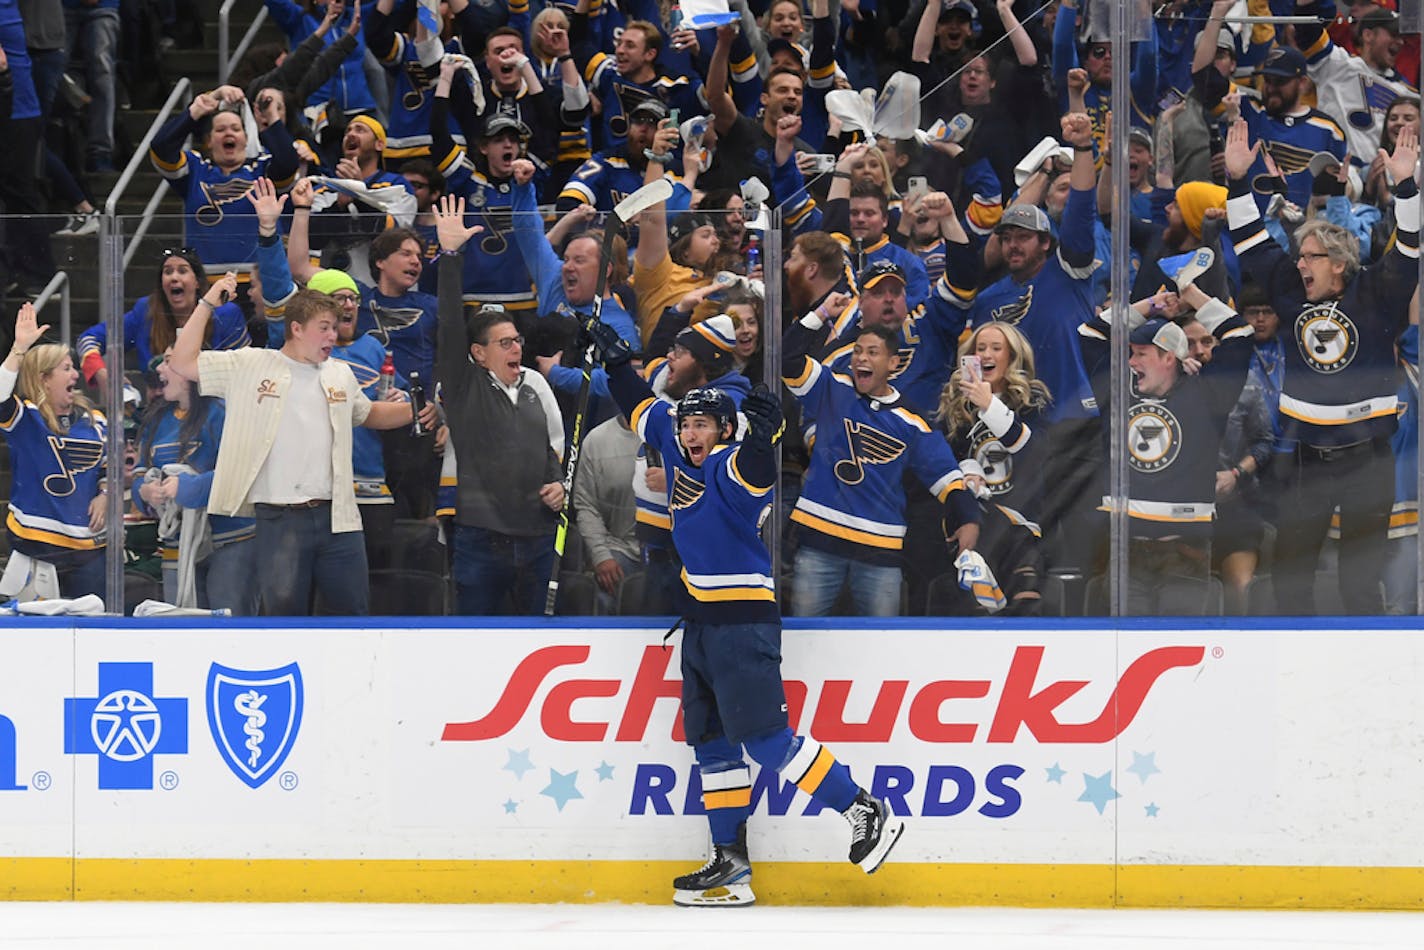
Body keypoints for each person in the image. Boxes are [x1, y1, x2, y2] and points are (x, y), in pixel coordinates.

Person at [587, 319, 905, 907]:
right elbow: (641, 407)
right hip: (702, 625)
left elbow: (757, 469)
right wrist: (616, 362)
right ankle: (730, 862)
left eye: (701, 423)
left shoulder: (731, 468)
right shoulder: (681, 451)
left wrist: (762, 437)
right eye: (685, 424)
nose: (689, 432)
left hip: (742, 622)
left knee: (764, 740)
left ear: (725, 430)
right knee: (711, 745)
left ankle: (864, 808)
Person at [1226, 117, 1420, 614]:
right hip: (1305, 462)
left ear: (1337, 262)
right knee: (1290, 585)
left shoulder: (1376, 293)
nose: (1298, 264)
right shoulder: (1292, 293)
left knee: (1360, 588)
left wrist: (1405, 185)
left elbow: (1409, 247)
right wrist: (1236, 180)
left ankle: (1363, 685)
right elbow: (1250, 240)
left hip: (1368, 461)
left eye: (1309, 256)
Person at [168, 274, 416, 616]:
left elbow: (369, 413)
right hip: (280, 519)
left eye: (335, 327)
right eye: (325, 327)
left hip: (339, 517)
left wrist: (418, 412)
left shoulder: (340, 373)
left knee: (355, 617)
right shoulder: (251, 363)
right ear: (296, 329)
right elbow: (182, 362)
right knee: (285, 620)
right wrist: (208, 301)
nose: (333, 335)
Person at [1078, 277, 1254, 615]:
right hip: (1125, 553)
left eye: (1141, 354)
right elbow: (1090, 334)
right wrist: (1152, 306)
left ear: (1169, 357)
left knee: (1180, 652)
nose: (1130, 362)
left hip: (1187, 555)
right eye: (1130, 354)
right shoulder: (1116, 392)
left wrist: (1194, 297)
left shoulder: (1208, 395)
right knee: (1128, 651)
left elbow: (1240, 334)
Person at [784, 319, 981, 617]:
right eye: (858, 351)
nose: (862, 358)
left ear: (893, 363)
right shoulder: (832, 389)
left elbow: (947, 477)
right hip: (819, 542)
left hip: (880, 550)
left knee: (881, 645)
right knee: (806, 637)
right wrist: (819, 313)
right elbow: (787, 360)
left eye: (872, 352)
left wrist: (968, 519)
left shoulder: (912, 421)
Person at [433, 195, 568, 616]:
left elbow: (556, 449)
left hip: (540, 537)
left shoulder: (534, 386)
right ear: (477, 352)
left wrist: (560, 485)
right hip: (481, 541)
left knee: (540, 643)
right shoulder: (464, 386)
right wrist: (451, 256)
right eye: (505, 343)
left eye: (518, 341)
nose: (516, 348)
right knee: (475, 646)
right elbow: (450, 324)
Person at [132, 352, 257, 614]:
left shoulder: (226, 412)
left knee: (230, 629)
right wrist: (145, 491)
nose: (161, 370)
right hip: (177, 545)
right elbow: (140, 475)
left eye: (168, 361)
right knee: (179, 629)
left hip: (231, 540)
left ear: (192, 371)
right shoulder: (155, 420)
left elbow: (239, 472)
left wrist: (189, 488)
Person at [0, 303, 107, 601]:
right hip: (36, 545)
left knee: (94, 635)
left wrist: (106, 494)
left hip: (90, 551)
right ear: (45, 379)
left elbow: (109, 465)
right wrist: (19, 349)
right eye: (67, 368)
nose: (76, 375)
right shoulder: (27, 419)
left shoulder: (94, 421)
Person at [149, 84, 302, 278]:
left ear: (246, 139)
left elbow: (288, 163)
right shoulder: (196, 170)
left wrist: (269, 121)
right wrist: (197, 110)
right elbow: (161, 148)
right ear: (209, 141)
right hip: (206, 282)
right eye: (220, 129)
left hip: (260, 282)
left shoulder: (263, 169)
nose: (229, 133)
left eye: (236, 129)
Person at [77, 247, 251, 396]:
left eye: (182, 271)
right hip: (159, 416)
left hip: (213, 412)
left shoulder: (225, 314)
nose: (174, 277)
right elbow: (87, 340)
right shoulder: (145, 311)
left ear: (197, 282)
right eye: (168, 272)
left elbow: (243, 371)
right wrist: (102, 374)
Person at [937, 321, 1052, 523]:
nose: (986, 355)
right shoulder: (957, 400)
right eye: (980, 348)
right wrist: (967, 468)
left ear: (1012, 356)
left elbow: (1036, 452)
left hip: (1022, 521)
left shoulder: (1032, 396)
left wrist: (990, 406)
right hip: (972, 519)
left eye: (996, 348)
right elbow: (942, 454)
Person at [573, 412, 642, 614]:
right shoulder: (596, 440)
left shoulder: (679, 432)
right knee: (604, 589)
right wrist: (601, 555)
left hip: (671, 551)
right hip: (620, 546)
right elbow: (586, 505)